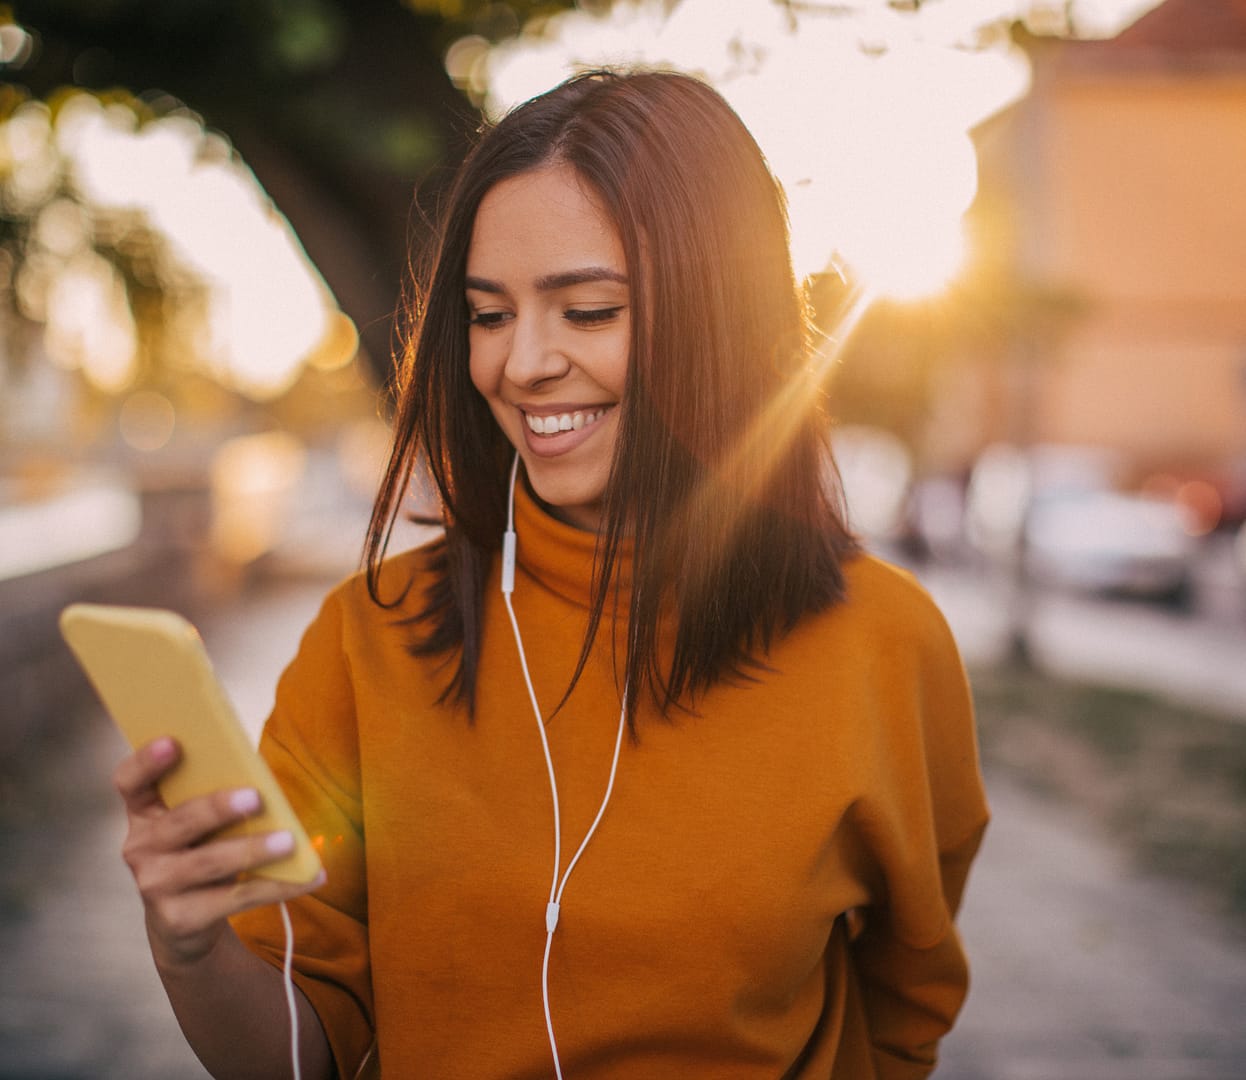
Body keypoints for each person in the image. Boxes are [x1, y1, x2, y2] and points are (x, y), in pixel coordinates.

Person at [114, 68, 988, 1079]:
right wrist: (189, 951)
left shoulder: (886, 642)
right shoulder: (369, 639)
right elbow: (296, 1057)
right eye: (489, 316)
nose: (522, 364)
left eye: (586, 310)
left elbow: (901, 1014)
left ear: (720, 315)